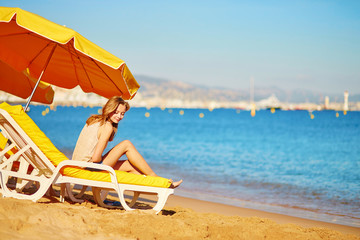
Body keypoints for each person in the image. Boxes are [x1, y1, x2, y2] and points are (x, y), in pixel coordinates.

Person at [72, 96, 182, 188]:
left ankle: (157, 185)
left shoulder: (94, 119)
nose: (119, 116)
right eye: (116, 112)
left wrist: (111, 158)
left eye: (122, 113)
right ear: (109, 109)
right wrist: (111, 159)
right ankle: (158, 179)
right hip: (87, 167)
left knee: (131, 166)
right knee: (126, 144)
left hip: (77, 164)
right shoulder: (107, 126)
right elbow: (96, 158)